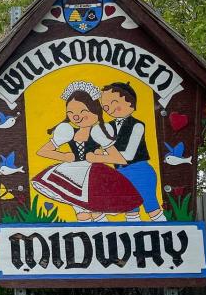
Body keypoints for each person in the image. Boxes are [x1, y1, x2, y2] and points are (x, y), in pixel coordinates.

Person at [32, 81, 143, 221]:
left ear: (95, 110)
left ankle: (103, 235)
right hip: (71, 175)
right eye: (71, 113)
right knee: (81, 212)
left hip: (94, 176)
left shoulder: (98, 132)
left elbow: (119, 158)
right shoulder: (68, 131)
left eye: (82, 111)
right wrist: (64, 156)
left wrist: (96, 158)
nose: (76, 116)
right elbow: (43, 151)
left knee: (96, 210)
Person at [100, 81, 165, 221]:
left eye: (113, 102)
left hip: (140, 171)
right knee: (130, 211)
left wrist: (102, 156)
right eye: (105, 106)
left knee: (151, 206)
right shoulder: (107, 127)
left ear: (129, 100)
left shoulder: (137, 125)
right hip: (121, 174)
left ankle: (166, 235)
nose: (109, 108)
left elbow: (129, 154)